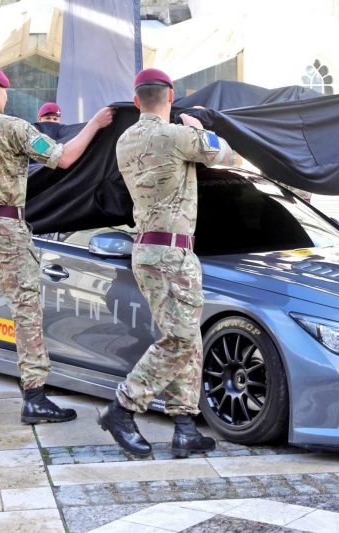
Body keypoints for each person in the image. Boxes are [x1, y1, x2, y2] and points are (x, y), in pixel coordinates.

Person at [0, 64, 114, 423]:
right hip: (7, 225)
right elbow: (63, 157)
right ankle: (34, 398)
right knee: (25, 309)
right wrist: (94, 124)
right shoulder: (13, 127)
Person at [98, 68, 234, 458]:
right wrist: (197, 125)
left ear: (137, 100)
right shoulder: (178, 136)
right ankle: (122, 408)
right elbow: (227, 154)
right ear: (171, 96)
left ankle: (185, 425)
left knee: (187, 338)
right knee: (179, 339)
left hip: (146, 248)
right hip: (173, 252)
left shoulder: (125, 140)